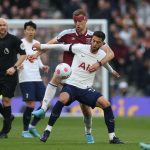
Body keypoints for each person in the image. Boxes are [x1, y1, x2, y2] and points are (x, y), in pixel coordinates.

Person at [30, 9, 116, 144]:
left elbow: (109, 54)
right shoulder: (67, 34)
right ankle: (43, 109)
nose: (77, 24)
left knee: (86, 110)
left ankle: (88, 132)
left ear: (85, 20)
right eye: (75, 21)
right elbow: (53, 44)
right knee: (58, 73)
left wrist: (101, 65)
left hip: (83, 77)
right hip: (68, 71)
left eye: (79, 21)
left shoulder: (94, 37)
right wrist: (37, 53)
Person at [18, 21, 49, 138]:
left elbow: (38, 59)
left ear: (35, 31)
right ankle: (25, 130)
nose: (30, 32)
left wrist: (42, 66)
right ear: (24, 31)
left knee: (45, 104)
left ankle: (32, 126)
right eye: (28, 29)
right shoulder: (20, 43)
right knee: (30, 105)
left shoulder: (37, 43)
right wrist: (18, 66)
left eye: (32, 30)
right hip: (25, 78)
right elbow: (14, 58)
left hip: (37, 78)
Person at [0, 18, 26, 138]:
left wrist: (14, 67)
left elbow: (23, 54)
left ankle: (5, 131)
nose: (2, 27)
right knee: (5, 106)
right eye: (0, 25)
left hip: (9, 75)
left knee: (6, 101)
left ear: (7, 26)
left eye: (4, 25)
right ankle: (8, 117)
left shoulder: (14, 39)